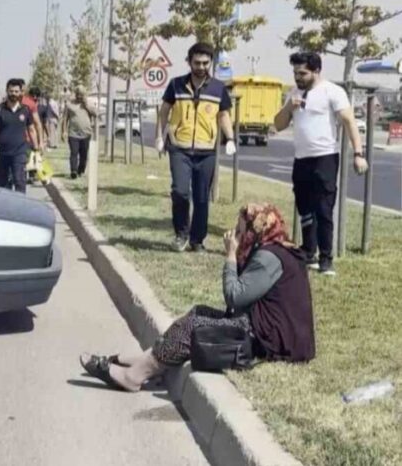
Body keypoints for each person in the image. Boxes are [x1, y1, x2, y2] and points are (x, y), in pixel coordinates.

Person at [79, 203, 315, 392]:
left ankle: (134, 376)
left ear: (255, 232)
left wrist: (231, 255)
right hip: (262, 328)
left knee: (194, 327)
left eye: (241, 230)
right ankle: (144, 359)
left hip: (269, 340)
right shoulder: (271, 249)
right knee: (198, 312)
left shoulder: (268, 258)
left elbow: (234, 297)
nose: (235, 234)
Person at [273, 51, 367, 276]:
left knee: (324, 209)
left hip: (325, 157)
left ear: (316, 71)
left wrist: (358, 153)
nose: (298, 77)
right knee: (304, 207)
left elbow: (349, 122)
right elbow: (278, 125)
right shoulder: (294, 94)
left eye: (302, 73)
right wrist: (289, 108)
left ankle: (326, 258)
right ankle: (309, 251)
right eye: (295, 73)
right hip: (301, 159)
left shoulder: (332, 92)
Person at [155, 42, 237, 253]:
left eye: (205, 63)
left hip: (206, 151)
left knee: (201, 198)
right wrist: (159, 137)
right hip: (179, 148)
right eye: (197, 63)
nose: (201, 67)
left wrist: (230, 138)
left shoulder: (218, 88)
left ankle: (197, 240)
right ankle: (181, 234)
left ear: (211, 63)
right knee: (180, 192)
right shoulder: (175, 85)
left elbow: (224, 115)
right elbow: (164, 111)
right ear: (189, 62)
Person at [0, 79, 43, 192]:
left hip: (19, 152)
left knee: (19, 180)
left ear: (20, 92)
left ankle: (20, 202)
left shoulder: (25, 110)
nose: (14, 94)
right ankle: (6, 202)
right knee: (2, 184)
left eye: (16, 91)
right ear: (7, 91)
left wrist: (36, 149)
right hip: (2, 153)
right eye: (11, 91)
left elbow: (31, 130)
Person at [60, 87, 95, 179]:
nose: (79, 96)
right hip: (73, 133)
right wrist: (63, 131)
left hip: (86, 133)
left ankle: (81, 170)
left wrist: (86, 105)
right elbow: (65, 119)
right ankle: (73, 171)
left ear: (84, 95)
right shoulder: (69, 104)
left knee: (84, 154)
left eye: (81, 95)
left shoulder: (88, 104)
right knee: (74, 152)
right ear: (75, 94)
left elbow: (95, 113)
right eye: (78, 94)